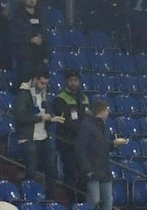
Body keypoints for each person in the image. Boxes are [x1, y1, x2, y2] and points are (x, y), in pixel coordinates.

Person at [12, 73, 61, 190]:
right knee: (31, 172)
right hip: (28, 138)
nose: (44, 86)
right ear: (34, 79)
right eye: (42, 83)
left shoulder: (44, 95)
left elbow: (46, 112)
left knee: (51, 170)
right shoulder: (23, 95)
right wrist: (40, 118)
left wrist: (51, 118)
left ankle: (51, 199)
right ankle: (29, 199)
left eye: (46, 84)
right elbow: (20, 117)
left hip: (43, 137)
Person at [72, 100, 123, 210]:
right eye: (107, 110)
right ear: (102, 111)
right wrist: (86, 168)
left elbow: (104, 147)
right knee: (94, 200)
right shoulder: (87, 125)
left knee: (108, 200)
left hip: (104, 169)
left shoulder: (103, 126)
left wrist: (113, 145)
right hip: (92, 170)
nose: (108, 113)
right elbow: (79, 147)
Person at [53, 70, 90, 199]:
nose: (73, 83)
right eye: (71, 80)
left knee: (83, 175)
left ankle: (81, 202)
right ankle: (71, 202)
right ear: (66, 81)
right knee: (70, 173)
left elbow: (87, 118)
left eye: (75, 80)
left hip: (82, 144)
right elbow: (66, 122)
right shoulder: (60, 98)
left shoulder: (84, 98)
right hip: (67, 143)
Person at [10, 0, 49, 78]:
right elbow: (14, 37)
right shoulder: (17, 17)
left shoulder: (41, 15)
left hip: (39, 57)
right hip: (24, 58)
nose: (32, 0)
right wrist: (30, 40)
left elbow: (46, 33)